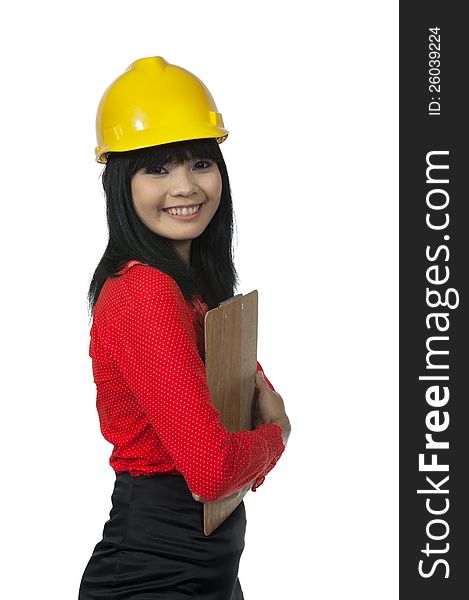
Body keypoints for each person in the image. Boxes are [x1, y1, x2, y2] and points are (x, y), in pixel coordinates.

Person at [78, 56, 291, 600]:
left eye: (200, 163)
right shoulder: (145, 292)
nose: (185, 187)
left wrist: (251, 438)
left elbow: (236, 415)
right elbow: (213, 468)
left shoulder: (192, 287)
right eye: (157, 168)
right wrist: (278, 437)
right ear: (118, 182)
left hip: (207, 564)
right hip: (154, 572)